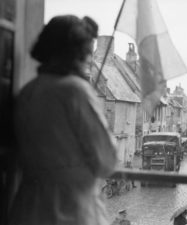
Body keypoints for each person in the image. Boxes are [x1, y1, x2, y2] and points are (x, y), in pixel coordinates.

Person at [9, 15, 117, 225]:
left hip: (27, 208)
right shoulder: (75, 91)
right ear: (78, 52)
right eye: (86, 51)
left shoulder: (27, 92)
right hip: (71, 211)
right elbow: (106, 161)